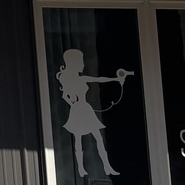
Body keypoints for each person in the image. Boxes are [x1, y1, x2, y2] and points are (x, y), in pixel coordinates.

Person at [56, 48, 131, 178]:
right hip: (78, 109)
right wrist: (71, 101)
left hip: (86, 108)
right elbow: (64, 95)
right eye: (81, 61)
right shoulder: (71, 79)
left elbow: (99, 79)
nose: (83, 64)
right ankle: (81, 168)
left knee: (98, 137)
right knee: (79, 137)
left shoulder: (81, 78)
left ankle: (107, 167)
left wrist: (115, 79)